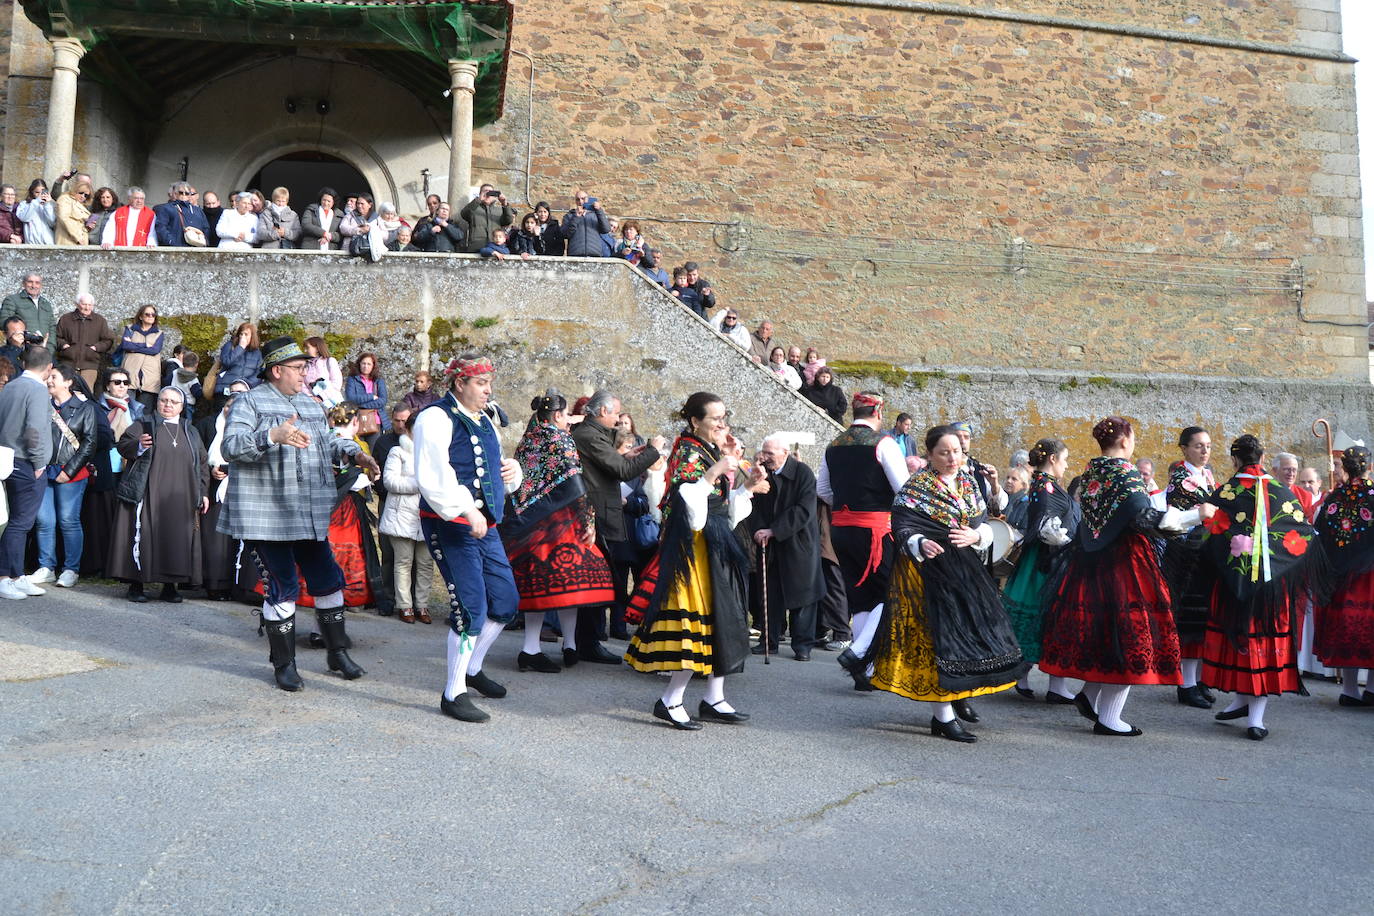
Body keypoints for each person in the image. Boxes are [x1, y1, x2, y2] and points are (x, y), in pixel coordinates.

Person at [219, 336, 378, 691]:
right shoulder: (249, 402)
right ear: (277, 371)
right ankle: (284, 664)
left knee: (328, 580)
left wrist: (356, 453)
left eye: (305, 366)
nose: (305, 372)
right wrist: (272, 435)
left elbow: (329, 441)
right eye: (298, 367)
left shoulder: (309, 404)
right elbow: (231, 447)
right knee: (283, 586)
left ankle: (337, 652)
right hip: (268, 515)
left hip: (307, 512)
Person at [1039, 417, 1213, 737]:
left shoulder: (1094, 471)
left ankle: (1089, 697)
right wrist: (1194, 516)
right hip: (1125, 565)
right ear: (1124, 441)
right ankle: (1109, 718)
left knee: (1107, 636)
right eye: (1132, 437)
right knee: (1133, 637)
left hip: (1090, 565)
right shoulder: (1124, 473)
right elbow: (1145, 518)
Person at [860, 425, 1030, 742]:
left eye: (956, 451)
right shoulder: (917, 487)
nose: (952, 458)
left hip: (966, 570)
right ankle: (943, 717)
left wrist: (977, 535)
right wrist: (920, 542)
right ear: (930, 455)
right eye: (944, 452)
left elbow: (985, 524)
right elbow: (902, 525)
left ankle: (959, 693)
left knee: (973, 634)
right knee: (940, 642)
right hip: (929, 573)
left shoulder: (967, 482)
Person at [625, 392, 769, 728]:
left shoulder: (710, 449)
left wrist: (748, 487)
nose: (722, 423)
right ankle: (670, 699)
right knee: (696, 625)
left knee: (726, 619)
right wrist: (715, 471)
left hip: (717, 543)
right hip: (695, 549)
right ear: (695, 422)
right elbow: (685, 505)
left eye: (724, 417)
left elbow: (721, 507)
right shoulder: (687, 450)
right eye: (715, 418)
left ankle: (714, 697)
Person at [413, 352, 523, 723]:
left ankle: (472, 669)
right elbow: (433, 474)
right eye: (480, 382)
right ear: (459, 383)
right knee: (471, 608)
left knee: (505, 602)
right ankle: (453, 691)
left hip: (486, 526)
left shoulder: (485, 418)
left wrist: (512, 470)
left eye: (489, 382)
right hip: (451, 524)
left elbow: (489, 464)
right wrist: (467, 509)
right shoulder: (435, 416)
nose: (488, 389)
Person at [1200, 435, 1321, 741]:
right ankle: (1249, 710)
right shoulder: (1281, 490)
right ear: (1263, 457)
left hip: (1234, 583)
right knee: (1262, 643)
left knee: (1243, 641)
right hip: (1272, 586)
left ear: (1234, 459)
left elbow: (1210, 532)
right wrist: (1277, 562)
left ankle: (1251, 714)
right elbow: (1303, 533)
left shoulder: (1226, 490)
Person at [502, 391, 616, 670]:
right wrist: (588, 520)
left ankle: (538, 646)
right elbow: (575, 484)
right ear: (556, 416)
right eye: (565, 416)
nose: (569, 421)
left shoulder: (529, 438)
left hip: (531, 522)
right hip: (561, 522)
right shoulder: (560, 439)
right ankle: (566, 646)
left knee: (538, 583)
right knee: (568, 582)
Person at [820, 392, 910, 691]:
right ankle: (859, 654)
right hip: (875, 530)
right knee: (893, 591)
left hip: (841, 529)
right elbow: (902, 490)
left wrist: (848, 506)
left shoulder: (834, 444)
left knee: (861, 598)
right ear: (878, 413)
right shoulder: (884, 443)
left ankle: (865, 670)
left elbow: (823, 489)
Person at [572, 389, 664, 661]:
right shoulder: (588, 435)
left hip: (602, 515)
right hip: (598, 517)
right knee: (599, 582)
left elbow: (612, 463)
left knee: (602, 582)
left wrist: (630, 454)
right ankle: (587, 644)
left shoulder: (592, 434)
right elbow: (622, 472)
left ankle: (587, 643)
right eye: (614, 413)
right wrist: (653, 451)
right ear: (602, 412)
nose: (616, 419)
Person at [107, 386, 208, 603]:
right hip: (149, 491)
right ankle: (136, 584)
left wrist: (203, 492)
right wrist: (139, 446)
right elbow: (123, 445)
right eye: (163, 400)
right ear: (157, 402)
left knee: (175, 540)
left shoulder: (190, 431)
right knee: (143, 536)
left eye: (173, 402)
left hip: (180, 496)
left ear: (182, 407)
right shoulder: (144, 424)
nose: (168, 405)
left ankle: (170, 586)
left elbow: (202, 463)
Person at [1001, 437, 1079, 702]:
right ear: (1053, 459)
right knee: (1043, 617)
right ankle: (1029, 679)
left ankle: (1050, 684)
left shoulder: (1045, 485)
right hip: (1045, 562)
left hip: (1048, 559)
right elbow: (1046, 527)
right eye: (1065, 459)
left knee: (1049, 619)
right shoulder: (1044, 487)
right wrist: (1069, 542)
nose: (1067, 465)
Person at [748, 434, 823, 661]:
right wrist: (759, 530)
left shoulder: (803, 473)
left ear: (785, 453)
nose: (766, 457)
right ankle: (768, 640)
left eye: (770, 453)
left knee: (803, 595)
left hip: (799, 543)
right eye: (764, 452)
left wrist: (774, 530)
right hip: (770, 545)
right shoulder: (764, 473)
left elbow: (804, 509)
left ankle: (802, 645)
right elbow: (754, 505)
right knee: (770, 593)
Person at [1160, 426, 1218, 708]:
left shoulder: (1206, 474)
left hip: (1202, 552)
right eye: (1198, 446)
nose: (1205, 451)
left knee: (1199, 620)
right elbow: (1176, 517)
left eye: (1207, 445)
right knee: (1187, 619)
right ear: (1184, 449)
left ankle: (1195, 680)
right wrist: (1200, 515)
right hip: (1186, 553)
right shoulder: (1181, 478)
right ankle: (1185, 684)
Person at [1313, 446, 1374, 706]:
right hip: (1369, 574)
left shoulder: (1335, 496)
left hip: (1341, 574)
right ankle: (1371, 688)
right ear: (1369, 466)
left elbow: (1321, 534)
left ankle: (1349, 690)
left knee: (1347, 627)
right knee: (1369, 627)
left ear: (1346, 468)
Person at [27, 363, 95, 588]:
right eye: (48, 376)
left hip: (71, 472)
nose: (49, 380)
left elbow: (89, 443)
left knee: (68, 520)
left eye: (54, 377)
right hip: (43, 469)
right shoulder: (41, 405)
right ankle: (46, 566)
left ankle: (70, 569)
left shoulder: (85, 408)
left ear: (68, 382)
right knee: (44, 521)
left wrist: (70, 471)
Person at [0, 346, 55, 599]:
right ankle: (5, 577)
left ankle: (17, 576)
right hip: (26, 462)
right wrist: (39, 463)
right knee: (20, 523)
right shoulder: (38, 389)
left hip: (7, 459)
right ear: (49, 367)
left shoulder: (9, 386)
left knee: (15, 521)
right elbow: (34, 430)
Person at [80, 367, 141, 579]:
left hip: (129, 467)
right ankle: (100, 563)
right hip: (105, 465)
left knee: (124, 517)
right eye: (117, 382)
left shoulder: (137, 408)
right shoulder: (96, 407)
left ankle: (122, 564)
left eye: (126, 382)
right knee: (101, 517)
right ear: (107, 385)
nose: (122, 386)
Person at [378, 409, 432, 624]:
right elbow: (389, 481)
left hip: (426, 515)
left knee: (426, 562)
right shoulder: (397, 452)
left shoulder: (431, 453)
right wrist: (419, 484)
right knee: (403, 562)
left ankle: (422, 605)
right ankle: (405, 605)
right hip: (401, 514)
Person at [54, 292, 116, 388]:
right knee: (64, 390)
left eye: (90, 305)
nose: (87, 308)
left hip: (89, 364)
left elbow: (107, 341)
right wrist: (64, 345)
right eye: (84, 304)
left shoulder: (100, 320)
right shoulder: (65, 319)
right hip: (67, 363)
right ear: (77, 304)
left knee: (86, 393)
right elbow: (56, 337)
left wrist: (96, 348)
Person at [117, 305, 164, 413]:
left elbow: (155, 350)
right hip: (130, 374)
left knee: (144, 412)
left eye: (153, 314)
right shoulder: (130, 329)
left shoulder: (159, 333)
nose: (150, 316)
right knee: (126, 410)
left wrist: (134, 346)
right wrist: (146, 345)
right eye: (147, 314)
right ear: (141, 316)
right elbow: (126, 346)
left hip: (150, 378)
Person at [344, 352, 389, 451]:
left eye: (369, 364)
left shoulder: (378, 381)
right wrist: (371, 397)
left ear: (373, 366)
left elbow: (382, 400)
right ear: (359, 364)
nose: (365, 366)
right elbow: (351, 399)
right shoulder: (352, 379)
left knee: (373, 453)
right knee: (357, 451)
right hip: (356, 421)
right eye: (363, 363)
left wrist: (361, 404)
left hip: (375, 422)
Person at [3, 273, 56, 354]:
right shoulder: (12, 300)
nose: (33, 285)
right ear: (24, 284)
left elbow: (52, 328)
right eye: (30, 282)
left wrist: (50, 349)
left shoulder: (46, 304)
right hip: (21, 351)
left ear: (41, 285)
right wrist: (22, 337)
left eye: (37, 283)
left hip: (44, 351)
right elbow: (4, 322)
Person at [153, 181, 210, 248]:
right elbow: (161, 228)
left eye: (187, 193)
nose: (184, 195)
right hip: (174, 249)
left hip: (196, 249)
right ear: (175, 194)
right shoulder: (165, 208)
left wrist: (203, 242)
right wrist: (172, 243)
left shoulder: (198, 210)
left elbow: (206, 228)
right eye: (181, 193)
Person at [460, 185, 516, 253]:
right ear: (480, 194)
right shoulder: (474, 208)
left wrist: (504, 204)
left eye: (490, 192)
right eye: (485, 191)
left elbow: (508, 221)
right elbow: (464, 214)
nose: (488, 194)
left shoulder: (499, 210)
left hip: (495, 249)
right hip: (476, 247)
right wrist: (478, 200)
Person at [216, 322, 262, 399]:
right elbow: (226, 362)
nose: (243, 337)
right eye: (241, 334)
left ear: (252, 336)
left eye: (246, 334)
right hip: (225, 389)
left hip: (245, 391)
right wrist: (240, 348)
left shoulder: (257, 353)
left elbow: (259, 373)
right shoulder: (230, 346)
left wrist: (245, 384)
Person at [559, 190, 609, 257]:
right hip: (575, 255)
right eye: (578, 199)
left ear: (588, 199)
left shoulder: (596, 214)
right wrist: (576, 218)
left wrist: (599, 210)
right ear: (575, 201)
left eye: (583, 198)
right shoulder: (569, 216)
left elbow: (606, 229)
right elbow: (565, 235)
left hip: (594, 254)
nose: (580, 202)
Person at [1272, 452, 1317, 519]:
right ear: (1275, 471)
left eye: (1294, 470)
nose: (1291, 473)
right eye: (1287, 469)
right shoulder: (1265, 492)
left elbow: (1309, 522)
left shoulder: (1306, 496)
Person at [53, 176, 93, 246]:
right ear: (75, 190)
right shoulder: (65, 199)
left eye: (86, 195)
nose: (83, 196)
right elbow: (64, 218)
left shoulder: (84, 206)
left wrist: (89, 226)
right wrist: (77, 237)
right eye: (81, 193)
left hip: (82, 242)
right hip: (67, 240)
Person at [302, 336, 342, 405]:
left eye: (308, 348)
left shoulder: (330, 361)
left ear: (317, 348)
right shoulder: (305, 365)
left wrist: (321, 397)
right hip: (312, 404)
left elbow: (336, 384)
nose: (305, 351)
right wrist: (310, 397)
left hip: (332, 404)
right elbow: (302, 384)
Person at [300, 187, 342, 251]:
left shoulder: (339, 215)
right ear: (320, 200)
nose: (326, 203)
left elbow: (341, 234)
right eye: (324, 200)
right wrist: (323, 233)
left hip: (331, 249)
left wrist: (329, 236)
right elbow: (306, 225)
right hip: (310, 247)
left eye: (329, 201)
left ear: (333, 202)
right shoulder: (311, 210)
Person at [16, 179, 55, 245]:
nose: (40, 195)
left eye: (42, 192)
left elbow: (52, 223)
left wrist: (48, 205)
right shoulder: (24, 204)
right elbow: (24, 218)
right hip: (32, 243)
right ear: (32, 192)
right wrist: (36, 201)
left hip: (48, 243)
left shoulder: (50, 204)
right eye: (37, 192)